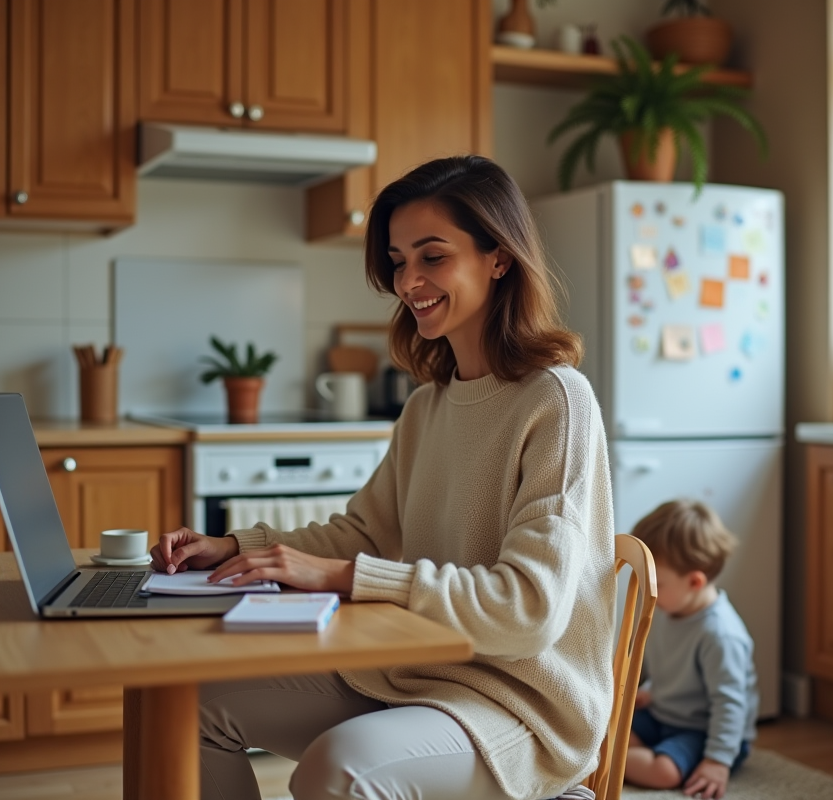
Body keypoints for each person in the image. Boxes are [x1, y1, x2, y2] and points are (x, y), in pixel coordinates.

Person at [149, 155, 616, 800]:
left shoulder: (557, 401)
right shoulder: (429, 405)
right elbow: (364, 531)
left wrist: (343, 577)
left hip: (521, 708)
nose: (408, 281)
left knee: (336, 767)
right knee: (186, 707)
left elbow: (528, 612)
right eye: (398, 261)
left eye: (432, 256)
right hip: (416, 676)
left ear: (498, 257)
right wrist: (237, 549)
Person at [624, 499, 758, 800]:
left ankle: (610, 756)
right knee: (601, 717)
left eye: (657, 583)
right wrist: (640, 690)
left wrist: (717, 761)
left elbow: (731, 705)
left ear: (694, 581)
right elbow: (649, 660)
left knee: (664, 774)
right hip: (662, 713)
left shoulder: (721, 635)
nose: (648, 590)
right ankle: (623, 750)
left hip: (703, 731)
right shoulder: (667, 608)